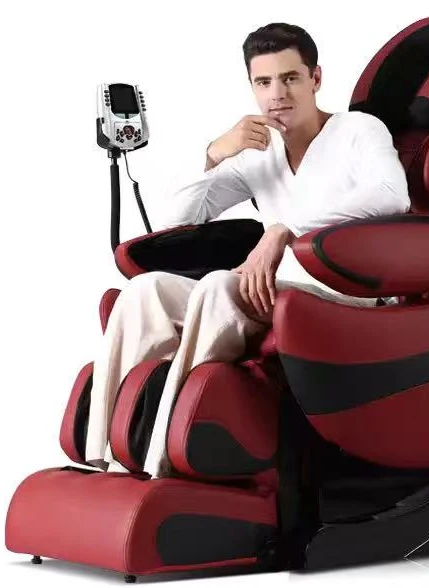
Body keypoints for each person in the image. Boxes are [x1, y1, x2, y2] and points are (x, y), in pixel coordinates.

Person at [84, 22, 411, 478]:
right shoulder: (259, 152)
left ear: (315, 78)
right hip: (271, 290)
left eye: (290, 78)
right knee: (146, 291)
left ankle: (165, 462)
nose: (277, 94)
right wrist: (214, 152)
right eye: (264, 82)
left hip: (345, 288)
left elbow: (392, 196)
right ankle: (104, 456)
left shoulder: (358, 130)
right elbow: (176, 218)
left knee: (218, 287)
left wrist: (285, 230)